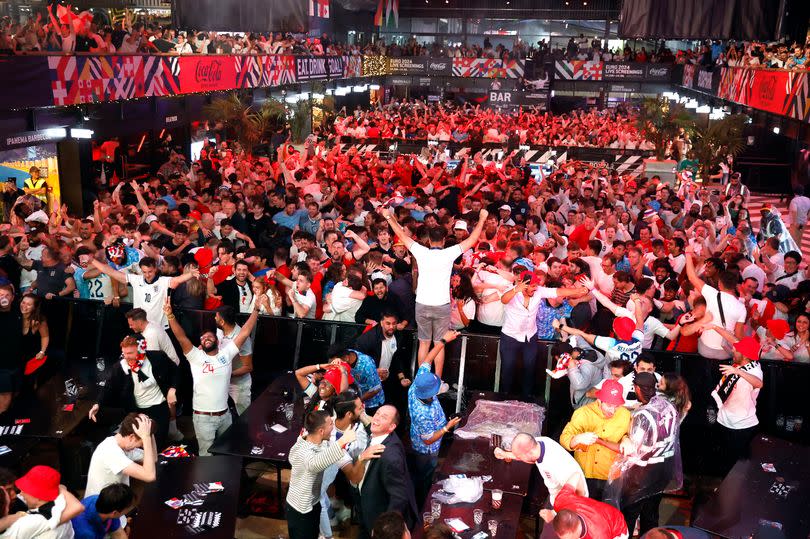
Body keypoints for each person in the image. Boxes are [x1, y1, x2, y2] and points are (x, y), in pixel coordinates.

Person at [381, 206, 487, 385]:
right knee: (439, 343)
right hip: (441, 305)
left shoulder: (421, 251)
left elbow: (402, 234)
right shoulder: (449, 252)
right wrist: (482, 219)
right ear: (444, 240)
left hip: (422, 303)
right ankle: (436, 382)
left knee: (424, 343)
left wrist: (389, 218)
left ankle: (422, 381)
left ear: (429, 240)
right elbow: (472, 239)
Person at [164, 297, 260, 455]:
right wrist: (170, 315)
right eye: (202, 338)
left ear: (217, 340)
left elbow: (244, 333)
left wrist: (256, 309)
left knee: (226, 452)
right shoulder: (195, 357)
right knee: (206, 456)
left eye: (209, 336)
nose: (205, 338)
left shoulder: (226, 355)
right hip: (203, 419)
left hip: (225, 417)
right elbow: (181, 337)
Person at [607, 372, 682, 536]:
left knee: (629, 516)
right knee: (651, 514)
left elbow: (634, 451)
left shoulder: (643, 415)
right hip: (664, 470)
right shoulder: (667, 405)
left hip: (642, 475)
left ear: (637, 389)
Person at [499, 272, 585, 397]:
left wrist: (578, 290)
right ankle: (504, 397)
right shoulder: (512, 292)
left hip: (530, 336)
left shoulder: (538, 291)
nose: (535, 288)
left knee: (530, 368)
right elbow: (503, 299)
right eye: (532, 286)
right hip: (510, 337)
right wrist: (516, 289)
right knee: (508, 368)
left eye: (536, 286)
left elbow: (558, 292)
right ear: (523, 285)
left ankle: (527, 398)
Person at [89, 336, 178, 448]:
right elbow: (109, 386)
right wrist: (98, 403)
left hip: (159, 407)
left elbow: (175, 371)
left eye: (130, 353)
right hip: (137, 410)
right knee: (139, 445)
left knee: (158, 443)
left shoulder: (157, 357)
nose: (126, 357)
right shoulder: (121, 366)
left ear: (140, 349)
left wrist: (173, 388)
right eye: (124, 353)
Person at [408, 331, 461, 507]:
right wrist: (448, 427)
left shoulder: (418, 383)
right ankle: (421, 505)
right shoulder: (423, 413)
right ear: (431, 394)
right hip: (426, 449)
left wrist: (444, 340)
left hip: (424, 438)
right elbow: (429, 440)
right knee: (424, 476)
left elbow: (427, 360)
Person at [285, 410, 358, 539]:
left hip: (314, 503)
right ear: (321, 431)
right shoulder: (304, 451)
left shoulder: (317, 441)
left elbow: (326, 452)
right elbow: (315, 463)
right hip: (300, 510)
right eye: (331, 424)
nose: (333, 426)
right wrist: (343, 441)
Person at [560, 379, 631, 501]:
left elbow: (628, 433)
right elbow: (564, 438)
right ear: (599, 400)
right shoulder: (583, 413)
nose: (612, 411)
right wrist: (577, 439)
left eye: (616, 406)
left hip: (612, 476)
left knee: (608, 513)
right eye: (609, 405)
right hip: (587, 474)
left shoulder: (625, 414)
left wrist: (627, 439)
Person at [356, 405, 419, 539]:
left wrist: (384, 530)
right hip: (366, 507)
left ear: (392, 427)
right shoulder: (382, 435)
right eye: (377, 414)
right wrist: (362, 414)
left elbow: (399, 497)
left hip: (378, 516)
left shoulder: (390, 457)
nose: (377, 418)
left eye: (383, 417)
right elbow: (371, 424)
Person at [709, 335, 763, 474]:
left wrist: (738, 371)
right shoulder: (738, 364)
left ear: (745, 355)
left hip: (742, 425)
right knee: (723, 460)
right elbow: (732, 342)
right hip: (724, 419)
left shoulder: (754, 370)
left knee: (738, 466)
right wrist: (717, 330)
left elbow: (759, 383)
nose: (733, 350)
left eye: (737, 350)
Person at [92, 256, 198, 327]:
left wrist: (191, 274)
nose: (147, 275)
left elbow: (178, 279)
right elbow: (112, 272)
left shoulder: (163, 281)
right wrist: (92, 260)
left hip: (160, 327)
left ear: (155, 268)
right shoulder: (136, 279)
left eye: (150, 272)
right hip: (140, 326)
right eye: (144, 272)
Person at [494, 432, 588, 504]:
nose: (518, 458)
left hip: (569, 505)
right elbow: (526, 455)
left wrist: (557, 514)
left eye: (520, 456)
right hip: (555, 494)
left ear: (529, 453)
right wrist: (505, 454)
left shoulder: (557, 464)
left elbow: (579, 495)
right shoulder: (538, 443)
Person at [85, 413, 157, 496]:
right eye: (141, 443)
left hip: (114, 501)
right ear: (132, 437)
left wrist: (149, 430)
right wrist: (146, 437)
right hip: (99, 505)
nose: (142, 446)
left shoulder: (125, 445)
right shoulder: (110, 451)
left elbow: (153, 458)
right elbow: (149, 476)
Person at [3, 465, 84, 539]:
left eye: (25, 490)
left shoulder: (32, 523)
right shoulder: (59, 503)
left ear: (38, 496)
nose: (20, 493)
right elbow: (62, 487)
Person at [540, 484, 629, 539]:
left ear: (576, 529)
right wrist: (553, 514)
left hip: (618, 529)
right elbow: (576, 474)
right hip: (600, 513)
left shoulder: (599, 535)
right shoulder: (562, 500)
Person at [214, 306, 256, 415]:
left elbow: (248, 367)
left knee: (244, 416)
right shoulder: (219, 330)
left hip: (239, 385)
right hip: (222, 382)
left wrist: (227, 373)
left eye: (216, 317)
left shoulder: (242, 338)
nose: (214, 318)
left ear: (222, 322)